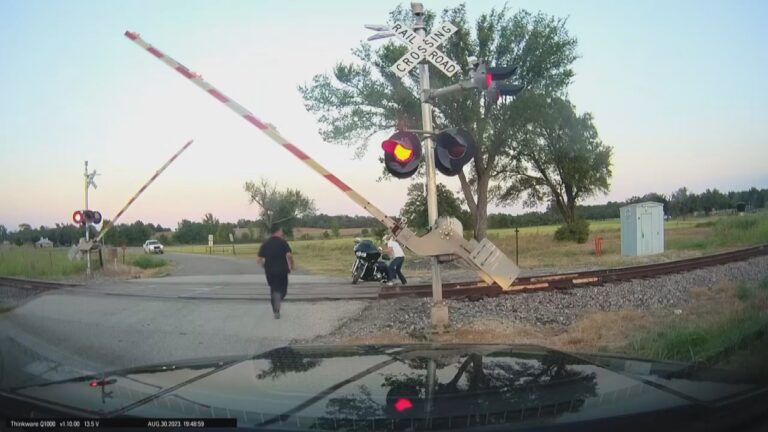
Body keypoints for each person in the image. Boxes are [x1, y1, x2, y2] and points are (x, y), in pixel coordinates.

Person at [257, 226, 294, 319]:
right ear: (278, 231)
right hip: (282, 271)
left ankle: (276, 310)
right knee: (283, 291)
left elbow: (259, 259)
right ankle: (277, 301)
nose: (282, 232)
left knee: (273, 289)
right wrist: (291, 265)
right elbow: (289, 255)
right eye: (281, 230)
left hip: (269, 271)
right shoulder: (283, 242)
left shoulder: (265, 243)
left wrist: (263, 265)